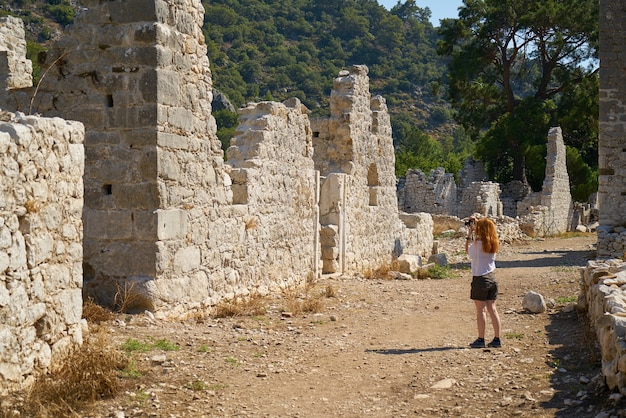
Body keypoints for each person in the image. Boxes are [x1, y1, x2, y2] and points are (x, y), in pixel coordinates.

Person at [465, 217, 502, 348]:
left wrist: (470, 234)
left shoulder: (477, 244)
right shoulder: (493, 243)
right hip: (491, 277)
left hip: (480, 278)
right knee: (492, 309)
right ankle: (497, 339)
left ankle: (481, 339)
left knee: (481, 310)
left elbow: (468, 253)